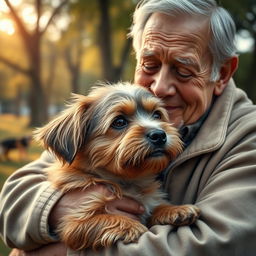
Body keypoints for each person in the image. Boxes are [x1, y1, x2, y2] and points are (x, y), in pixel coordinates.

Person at [1, 0, 256, 255]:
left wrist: (55, 252)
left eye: (183, 71)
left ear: (222, 74)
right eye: (150, 65)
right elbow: (11, 202)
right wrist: (55, 207)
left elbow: (217, 244)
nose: (159, 87)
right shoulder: (81, 139)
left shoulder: (247, 137)